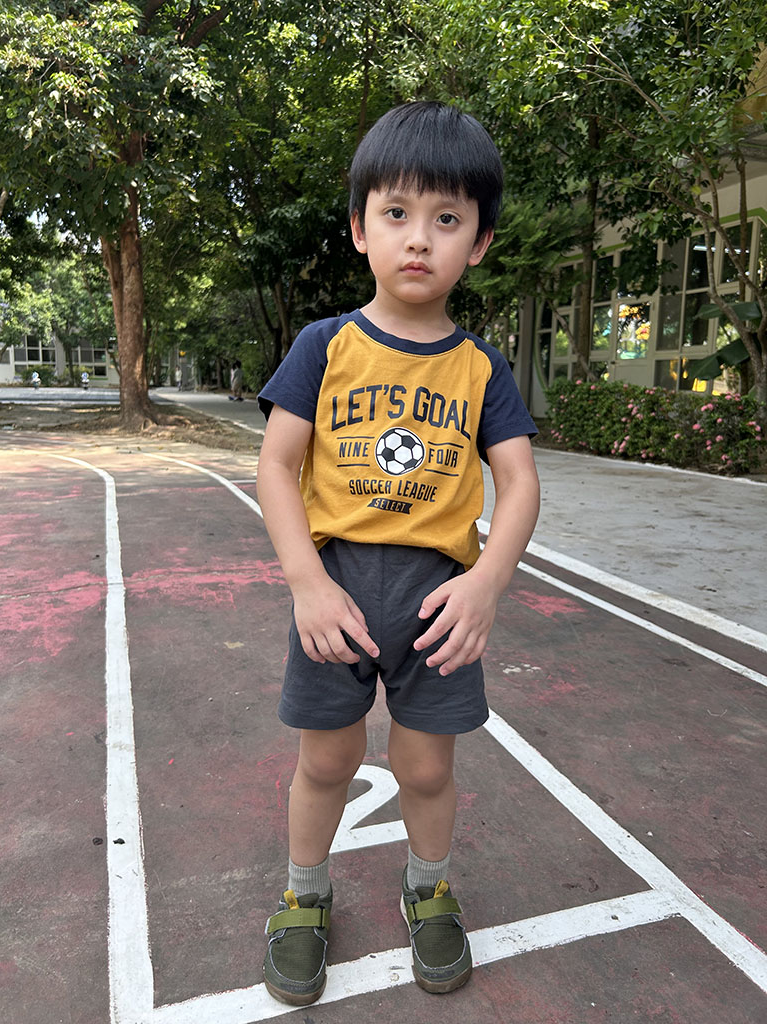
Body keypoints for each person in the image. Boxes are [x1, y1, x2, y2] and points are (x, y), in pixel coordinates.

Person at [256, 101, 540, 1006]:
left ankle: (429, 889)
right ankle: (304, 897)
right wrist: (305, 582)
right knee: (326, 763)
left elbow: (519, 483)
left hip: (437, 603)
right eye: (397, 213)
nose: (419, 238)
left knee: (425, 768)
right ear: (359, 227)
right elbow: (276, 464)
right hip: (336, 594)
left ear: (479, 243)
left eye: (447, 218)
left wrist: (488, 582)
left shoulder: (482, 369)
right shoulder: (323, 347)